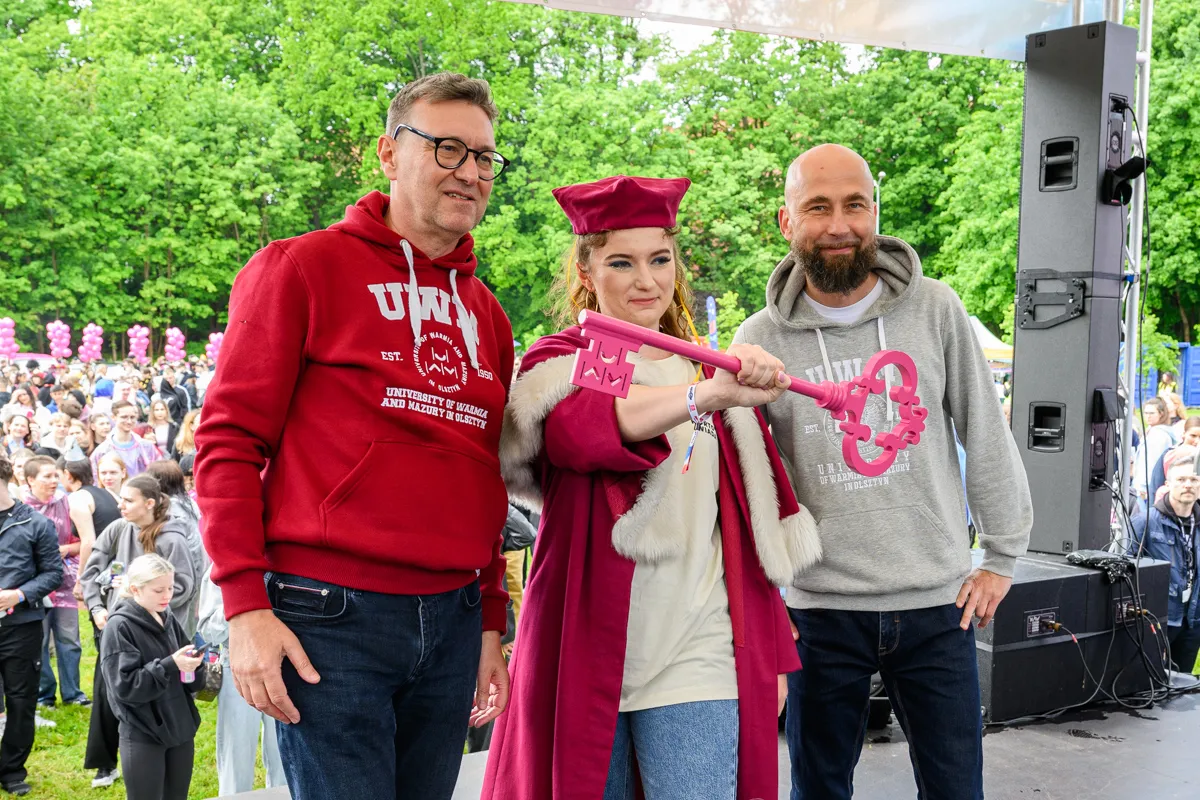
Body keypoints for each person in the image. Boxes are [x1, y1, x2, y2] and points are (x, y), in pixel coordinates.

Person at [195, 72, 515, 800]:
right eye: (447, 149)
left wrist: (489, 624)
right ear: (388, 154)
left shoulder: (487, 315)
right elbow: (228, 444)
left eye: (484, 157)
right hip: (331, 617)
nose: (469, 172)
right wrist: (245, 607)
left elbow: (482, 476)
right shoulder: (300, 268)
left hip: (455, 618)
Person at [481, 176, 819, 800]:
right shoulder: (564, 360)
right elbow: (583, 435)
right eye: (621, 262)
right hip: (585, 646)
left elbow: (736, 528)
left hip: (701, 650)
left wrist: (771, 642)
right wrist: (704, 396)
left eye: (660, 259)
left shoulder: (706, 368)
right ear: (586, 271)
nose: (646, 280)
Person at [734, 143, 1033, 800]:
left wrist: (1002, 555)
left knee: (956, 790)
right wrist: (762, 594)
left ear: (875, 211)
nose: (839, 225)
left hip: (937, 607)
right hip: (818, 611)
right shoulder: (758, 340)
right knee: (818, 790)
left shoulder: (935, 309)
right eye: (818, 207)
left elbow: (985, 429)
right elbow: (744, 482)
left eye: (855, 205)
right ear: (786, 221)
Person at [99, 554, 204, 800]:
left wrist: (194, 665)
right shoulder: (119, 627)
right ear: (135, 589)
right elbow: (125, 687)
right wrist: (170, 665)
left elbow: (184, 667)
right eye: (158, 590)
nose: (167, 595)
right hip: (143, 732)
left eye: (170, 588)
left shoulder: (166, 616)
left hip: (179, 726)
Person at [0, 452, 65, 797]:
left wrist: (20, 594)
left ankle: (12, 771)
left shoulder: (36, 523)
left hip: (21, 625)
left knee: (21, 699)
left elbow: (53, 573)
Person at [59, 459, 124, 787]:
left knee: (109, 673)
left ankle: (111, 759)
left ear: (67, 475)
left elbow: (89, 542)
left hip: (112, 595)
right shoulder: (108, 497)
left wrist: (82, 583)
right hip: (112, 592)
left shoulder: (78, 498)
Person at [196, 564, 286, 796]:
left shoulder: (286, 559)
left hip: (283, 667)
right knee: (236, 754)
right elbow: (207, 630)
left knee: (284, 756)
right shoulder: (223, 568)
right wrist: (242, 604)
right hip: (237, 665)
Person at [21, 456, 88, 710]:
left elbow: (84, 542)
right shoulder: (20, 508)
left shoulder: (67, 502)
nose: (53, 481)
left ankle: (73, 693)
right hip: (35, 583)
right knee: (38, 642)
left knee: (69, 639)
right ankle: (44, 694)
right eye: (46, 476)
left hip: (65, 580)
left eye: (55, 476)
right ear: (30, 480)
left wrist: (64, 549)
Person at [1131, 456, 1200, 674]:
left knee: (1183, 682)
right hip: (1159, 618)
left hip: (1193, 620)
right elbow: (1125, 568)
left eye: (1194, 479)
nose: (1188, 485)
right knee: (1149, 678)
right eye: (1181, 479)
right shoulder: (1146, 521)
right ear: (1167, 484)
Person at [144, 461, 206, 636]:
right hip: (196, 572)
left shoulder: (171, 510)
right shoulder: (188, 503)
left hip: (182, 573)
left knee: (179, 628)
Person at [89, 401, 162, 482]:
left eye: (132, 417)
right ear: (113, 417)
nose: (129, 421)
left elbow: (158, 472)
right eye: (124, 417)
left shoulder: (146, 447)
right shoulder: (102, 451)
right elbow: (96, 479)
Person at [1133, 397, 1177, 511]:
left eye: (1152, 413)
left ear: (1161, 414)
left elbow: (1153, 463)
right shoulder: (1153, 431)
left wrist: (1144, 488)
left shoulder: (1159, 435)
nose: (1148, 416)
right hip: (1143, 485)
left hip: (1146, 488)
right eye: (1146, 413)